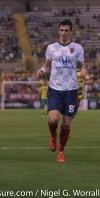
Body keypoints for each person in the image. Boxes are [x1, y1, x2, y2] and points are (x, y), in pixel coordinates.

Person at [37, 19, 88, 163]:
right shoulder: (51, 48)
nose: (64, 33)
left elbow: (83, 65)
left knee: (66, 124)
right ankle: (53, 135)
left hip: (71, 90)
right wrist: (42, 69)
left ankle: (61, 150)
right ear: (58, 31)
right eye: (62, 30)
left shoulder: (77, 48)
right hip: (55, 89)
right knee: (53, 120)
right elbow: (47, 65)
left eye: (66, 30)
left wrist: (84, 70)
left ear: (71, 32)